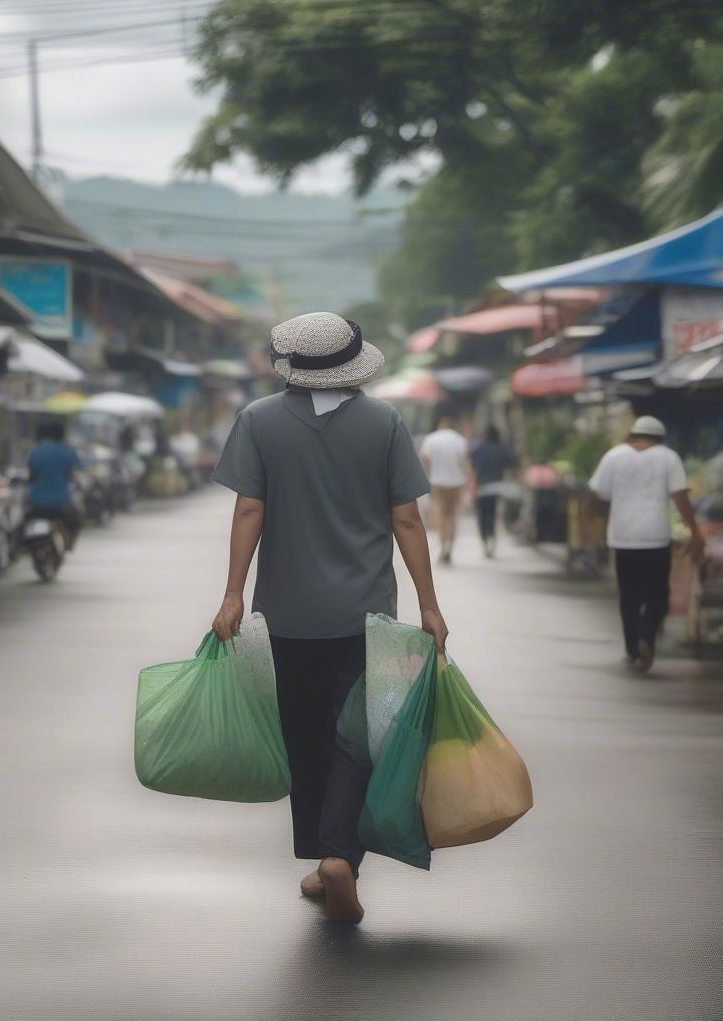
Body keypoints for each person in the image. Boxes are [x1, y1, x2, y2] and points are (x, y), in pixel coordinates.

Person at [210, 311, 448, 924]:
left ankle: (324, 857)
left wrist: (233, 594)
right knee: (358, 738)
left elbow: (248, 511)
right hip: (367, 615)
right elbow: (406, 520)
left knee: (307, 736)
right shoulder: (384, 422)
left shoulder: (259, 421)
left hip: (287, 613)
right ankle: (340, 857)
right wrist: (429, 604)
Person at [590, 416, 704, 672]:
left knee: (629, 595)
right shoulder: (668, 457)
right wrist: (694, 529)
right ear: (660, 437)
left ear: (633, 434)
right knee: (657, 595)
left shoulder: (614, 455)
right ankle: (646, 637)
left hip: (623, 535)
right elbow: (679, 496)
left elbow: (600, 492)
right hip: (655, 536)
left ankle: (631, 650)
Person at [419, 410, 471, 564]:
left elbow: (425, 458)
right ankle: (450, 549)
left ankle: (442, 549)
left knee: (441, 515)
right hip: (456, 482)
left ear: (440, 425)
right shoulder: (460, 440)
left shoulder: (431, 439)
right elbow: (464, 462)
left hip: (437, 482)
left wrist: (429, 473)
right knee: (453, 514)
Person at [27, 419, 84, 546]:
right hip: (61, 500)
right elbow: (74, 473)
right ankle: (69, 542)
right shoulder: (67, 452)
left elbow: (31, 475)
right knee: (77, 521)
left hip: (36, 500)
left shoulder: (36, 451)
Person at [470, 425, 515, 558]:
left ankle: (485, 539)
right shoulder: (502, 448)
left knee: (482, 515)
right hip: (498, 487)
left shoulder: (480, 448)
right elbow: (510, 464)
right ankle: (492, 537)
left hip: (483, 486)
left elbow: (475, 467)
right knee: (492, 514)